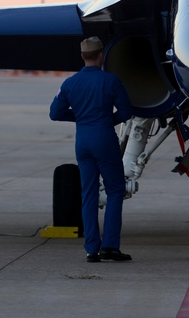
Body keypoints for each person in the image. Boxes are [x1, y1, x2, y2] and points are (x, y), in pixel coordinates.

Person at [49, 37, 133, 263]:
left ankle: (91, 250)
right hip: (104, 138)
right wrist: (105, 120)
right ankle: (111, 247)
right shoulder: (111, 81)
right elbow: (126, 112)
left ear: (82, 56)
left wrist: (81, 117)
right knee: (115, 191)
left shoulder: (70, 83)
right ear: (101, 55)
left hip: (82, 140)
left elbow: (55, 113)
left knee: (88, 193)